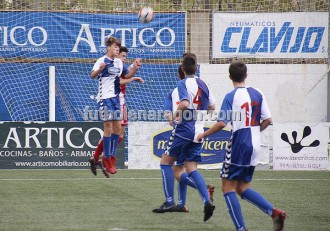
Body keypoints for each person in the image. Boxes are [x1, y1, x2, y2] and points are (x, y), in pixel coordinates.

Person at [197, 60, 286, 231]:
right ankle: (274, 212)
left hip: (238, 143)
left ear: (230, 76)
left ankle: (241, 229)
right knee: (242, 187)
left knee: (227, 186)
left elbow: (222, 123)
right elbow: (268, 120)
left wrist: (204, 134)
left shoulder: (231, 96)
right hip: (255, 145)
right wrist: (253, 132)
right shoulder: (257, 93)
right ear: (246, 75)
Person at [152, 53, 216, 222]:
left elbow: (185, 103)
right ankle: (206, 201)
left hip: (184, 129)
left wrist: (175, 116)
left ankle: (169, 202)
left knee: (165, 163)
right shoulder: (203, 84)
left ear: (182, 68)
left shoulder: (182, 83)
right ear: (196, 68)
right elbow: (212, 107)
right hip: (198, 132)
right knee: (192, 168)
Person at [89, 45, 142, 177]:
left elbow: (127, 73)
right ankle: (104, 158)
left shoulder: (119, 65)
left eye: (124, 56)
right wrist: (132, 78)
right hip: (112, 99)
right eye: (123, 56)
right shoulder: (107, 62)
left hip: (119, 101)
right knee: (111, 129)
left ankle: (103, 158)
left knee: (119, 133)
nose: (124, 58)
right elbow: (120, 80)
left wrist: (134, 68)